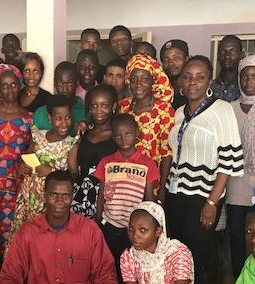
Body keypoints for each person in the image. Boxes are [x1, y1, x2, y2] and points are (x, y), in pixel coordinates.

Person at [165, 55, 243, 284]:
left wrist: (212, 202)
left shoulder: (222, 110)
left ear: (209, 81)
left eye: (200, 77)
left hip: (202, 197)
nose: (193, 82)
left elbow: (228, 162)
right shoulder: (179, 113)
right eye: (187, 77)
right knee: (175, 254)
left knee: (194, 257)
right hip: (175, 194)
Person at [93, 113, 159, 284]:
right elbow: (101, 195)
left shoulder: (147, 164)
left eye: (128, 133)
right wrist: (98, 220)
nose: (123, 139)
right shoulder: (106, 162)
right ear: (113, 137)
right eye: (118, 135)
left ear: (137, 132)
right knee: (110, 264)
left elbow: (149, 199)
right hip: (110, 224)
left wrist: (150, 226)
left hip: (133, 229)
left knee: (131, 266)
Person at [0, 64, 33, 267]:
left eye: (13, 84)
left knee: (14, 230)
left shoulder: (29, 118)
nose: (9, 89)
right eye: (4, 85)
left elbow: (32, 149)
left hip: (16, 184)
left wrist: (25, 163)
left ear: (20, 85)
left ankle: (11, 274)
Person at [226, 55, 255, 279]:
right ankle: (240, 281)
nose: (248, 81)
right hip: (235, 180)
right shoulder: (230, 108)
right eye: (244, 76)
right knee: (236, 234)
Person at [10, 95, 79, 237]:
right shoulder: (38, 136)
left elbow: (74, 177)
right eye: (58, 118)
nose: (64, 123)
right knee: (25, 235)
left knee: (43, 237)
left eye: (67, 117)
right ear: (49, 118)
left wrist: (52, 172)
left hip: (50, 203)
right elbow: (27, 157)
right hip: (29, 196)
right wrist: (23, 166)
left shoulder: (71, 145)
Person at [118, 53, 175, 203]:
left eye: (144, 79)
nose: (138, 84)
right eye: (134, 79)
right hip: (125, 177)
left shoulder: (164, 109)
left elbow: (166, 152)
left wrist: (162, 189)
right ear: (128, 81)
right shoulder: (123, 106)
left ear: (153, 81)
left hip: (153, 180)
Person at [69, 84, 118, 218]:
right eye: (94, 105)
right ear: (89, 108)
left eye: (104, 105)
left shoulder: (117, 136)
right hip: (78, 196)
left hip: (105, 200)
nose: (99, 110)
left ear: (113, 106)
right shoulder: (84, 132)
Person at [33, 61, 86, 136]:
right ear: (55, 83)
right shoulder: (40, 113)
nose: (64, 89)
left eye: (69, 84)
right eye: (60, 84)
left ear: (77, 82)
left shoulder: (85, 111)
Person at [212, 35, 244, 102]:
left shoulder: (245, 85)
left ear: (241, 55)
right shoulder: (209, 87)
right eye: (223, 51)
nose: (227, 56)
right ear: (217, 55)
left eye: (232, 51)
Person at [160, 39, 190, 110]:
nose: (170, 63)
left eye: (176, 58)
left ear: (186, 59)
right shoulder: (159, 91)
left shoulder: (193, 89)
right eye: (166, 59)